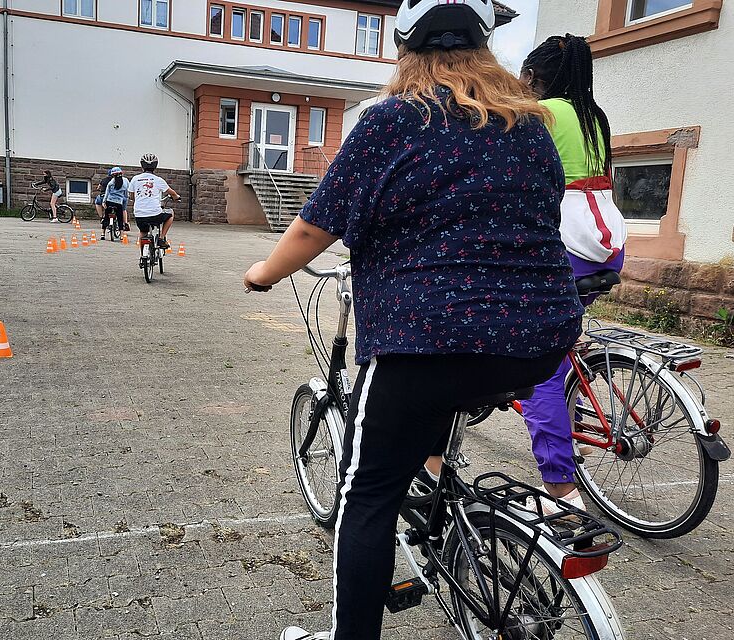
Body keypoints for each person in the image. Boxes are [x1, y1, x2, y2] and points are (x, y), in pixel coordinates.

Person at [243, 2, 584, 639]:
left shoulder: (393, 121)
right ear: (485, 48)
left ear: (405, 50)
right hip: (536, 335)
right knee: (451, 394)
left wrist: (264, 272)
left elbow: (318, 224)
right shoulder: (530, 125)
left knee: (365, 496)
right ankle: (445, 509)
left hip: (424, 339)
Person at [511, 33, 627, 511]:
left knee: (537, 368)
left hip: (568, 245)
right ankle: (570, 425)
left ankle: (561, 487)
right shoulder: (593, 117)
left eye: (521, 80)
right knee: (558, 345)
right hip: (606, 245)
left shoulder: (543, 114)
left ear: (534, 78)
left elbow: (513, 178)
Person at [128, 153, 179, 249]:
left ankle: (143, 256)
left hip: (139, 215)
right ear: (155, 166)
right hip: (155, 215)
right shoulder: (158, 180)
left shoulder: (135, 179)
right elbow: (172, 193)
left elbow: (131, 195)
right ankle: (161, 238)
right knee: (170, 214)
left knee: (143, 232)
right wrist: (176, 197)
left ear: (142, 165)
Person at [101, 167, 130, 239]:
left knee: (106, 217)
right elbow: (126, 194)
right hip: (119, 202)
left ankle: (103, 234)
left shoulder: (111, 182)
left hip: (109, 201)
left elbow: (107, 192)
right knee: (120, 218)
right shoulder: (125, 181)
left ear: (112, 175)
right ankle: (121, 235)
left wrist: (104, 202)